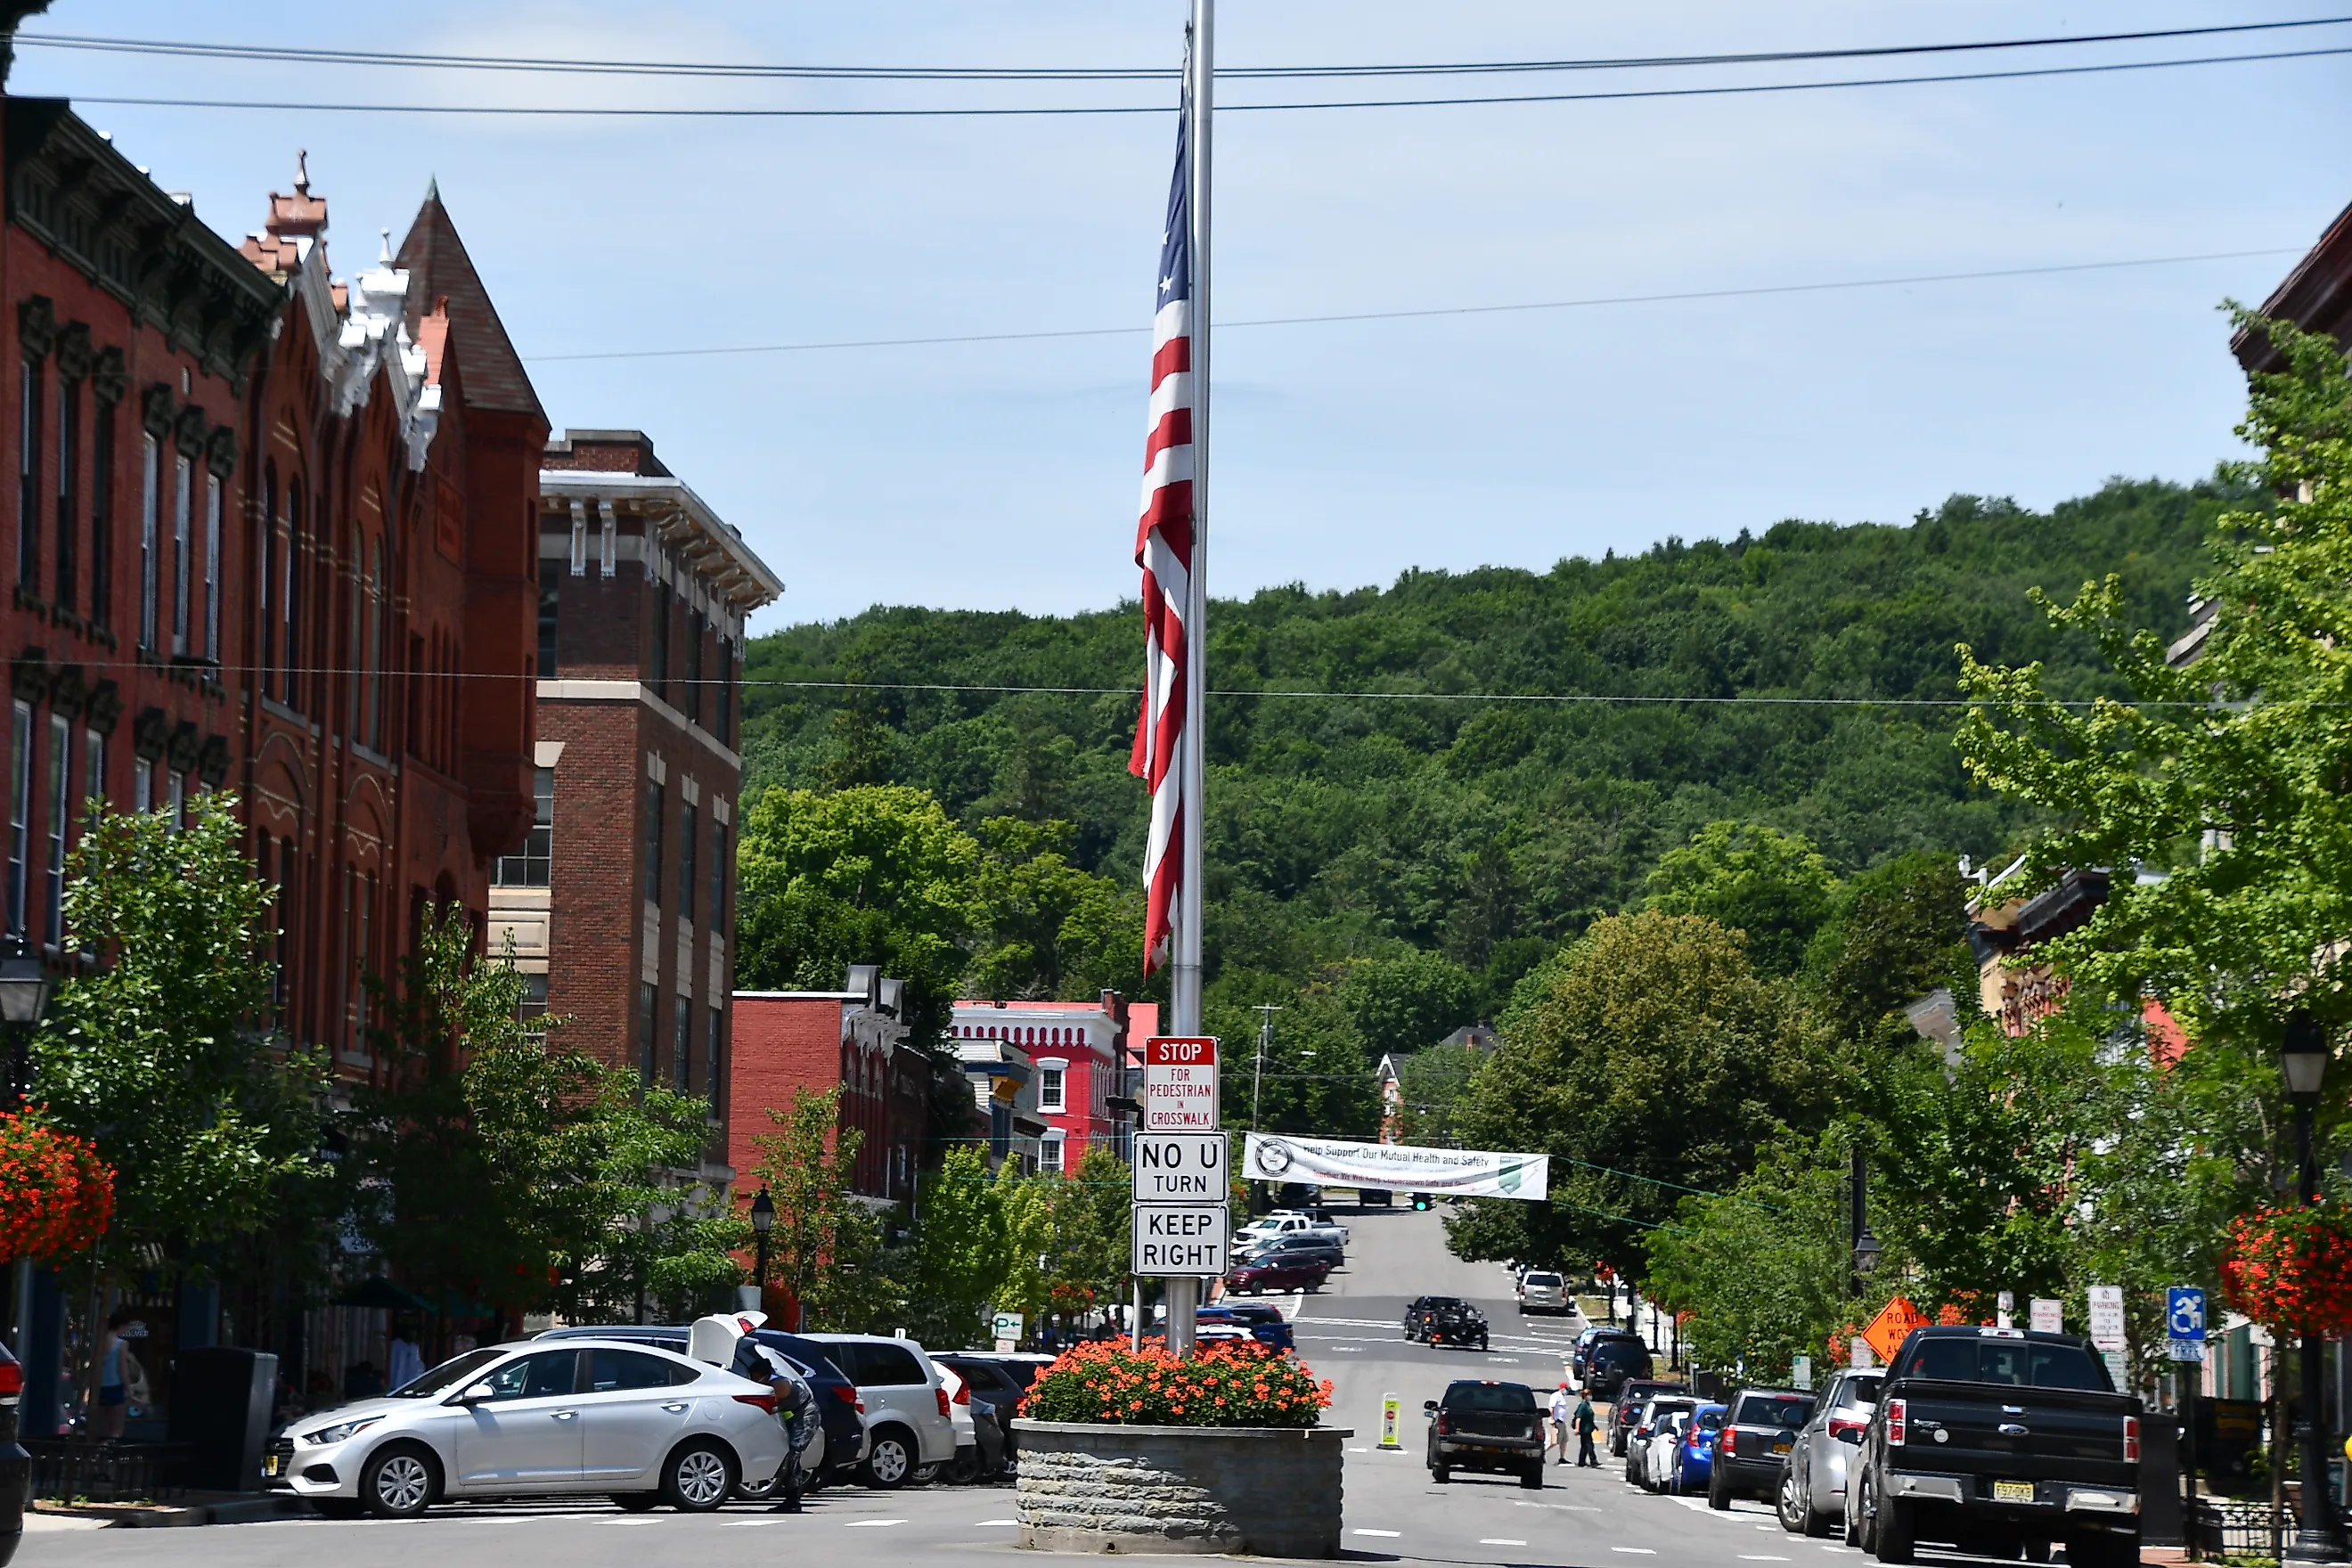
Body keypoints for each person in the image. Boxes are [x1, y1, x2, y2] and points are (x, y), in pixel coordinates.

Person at [731, 1335, 815, 1512]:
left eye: (754, 1376)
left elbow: (773, 1403)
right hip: (794, 1418)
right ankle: (791, 1500)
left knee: (793, 1457)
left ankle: (793, 1502)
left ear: (762, 1375)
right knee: (789, 1457)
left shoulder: (777, 1384)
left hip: (806, 1416)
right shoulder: (770, 1382)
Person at [93, 1307, 142, 1440]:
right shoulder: (121, 1344)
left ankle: (100, 1455)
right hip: (115, 1387)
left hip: (100, 1388)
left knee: (103, 1429)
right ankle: (110, 1455)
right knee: (116, 1430)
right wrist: (130, 1393)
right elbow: (123, 1370)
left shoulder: (99, 1343)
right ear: (121, 1326)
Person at [1573, 1388, 1600, 1467]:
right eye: (1589, 1395)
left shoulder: (1587, 1404)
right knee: (1589, 1445)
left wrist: (1594, 1426)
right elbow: (1578, 1418)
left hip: (1588, 1428)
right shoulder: (1583, 1405)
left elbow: (1589, 1417)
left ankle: (1581, 1461)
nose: (1590, 1397)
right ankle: (1593, 1461)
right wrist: (1577, 1428)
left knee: (1584, 1446)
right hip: (1584, 1429)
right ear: (1585, 1396)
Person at [1548, 1382, 1573, 1465]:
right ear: (1562, 1388)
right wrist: (1552, 1418)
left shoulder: (1562, 1397)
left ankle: (1562, 1458)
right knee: (1554, 1441)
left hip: (1562, 1422)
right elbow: (1551, 1407)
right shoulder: (1555, 1396)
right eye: (1566, 1389)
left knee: (1564, 1440)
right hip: (1557, 1421)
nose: (1566, 1391)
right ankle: (1542, 1453)